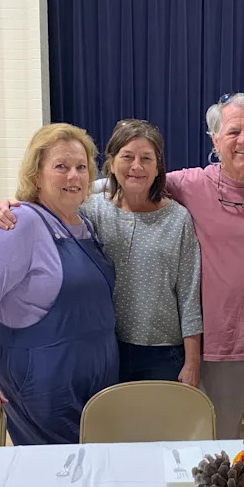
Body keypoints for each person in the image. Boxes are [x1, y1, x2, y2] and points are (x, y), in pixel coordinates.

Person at [0, 96, 244, 439]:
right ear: (215, 140)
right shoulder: (189, 185)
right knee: (215, 444)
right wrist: (21, 202)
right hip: (219, 348)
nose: (243, 140)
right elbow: (127, 180)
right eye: (232, 132)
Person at [0, 123, 118, 445]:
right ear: (36, 175)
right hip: (43, 385)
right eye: (61, 167)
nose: (73, 176)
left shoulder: (83, 224)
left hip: (92, 381)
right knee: (57, 474)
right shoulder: (19, 222)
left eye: (81, 168)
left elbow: (128, 180)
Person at [80, 119, 203, 385]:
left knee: (161, 426)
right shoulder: (91, 210)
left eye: (146, 158)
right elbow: (50, 205)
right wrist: (11, 206)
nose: (136, 166)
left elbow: (189, 294)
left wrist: (192, 363)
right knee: (113, 425)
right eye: (127, 157)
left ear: (158, 167)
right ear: (111, 162)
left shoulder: (178, 219)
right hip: (105, 346)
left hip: (163, 352)